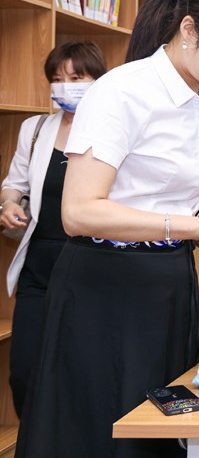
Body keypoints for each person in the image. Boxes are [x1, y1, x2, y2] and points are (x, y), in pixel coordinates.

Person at [15, 0, 199, 458]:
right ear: (190, 30)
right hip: (105, 288)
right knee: (99, 433)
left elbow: (174, 202)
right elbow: (79, 212)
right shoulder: (123, 91)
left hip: (168, 283)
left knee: (158, 433)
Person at [0, 42, 106, 417]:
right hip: (40, 262)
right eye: (57, 79)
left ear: (98, 80)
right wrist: (10, 203)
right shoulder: (35, 128)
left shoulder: (112, 130)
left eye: (77, 77)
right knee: (25, 372)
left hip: (92, 263)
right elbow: (14, 183)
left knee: (78, 371)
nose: (65, 86)